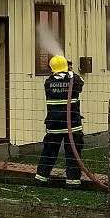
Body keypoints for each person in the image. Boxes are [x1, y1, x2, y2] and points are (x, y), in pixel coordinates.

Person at [34, 55, 85, 187]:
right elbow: (81, 83)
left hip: (53, 125)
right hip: (72, 125)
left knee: (49, 152)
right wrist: (70, 71)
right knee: (73, 153)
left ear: (52, 69)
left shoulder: (48, 82)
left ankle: (41, 178)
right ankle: (73, 182)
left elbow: (57, 79)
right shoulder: (74, 80)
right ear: (66, 67)